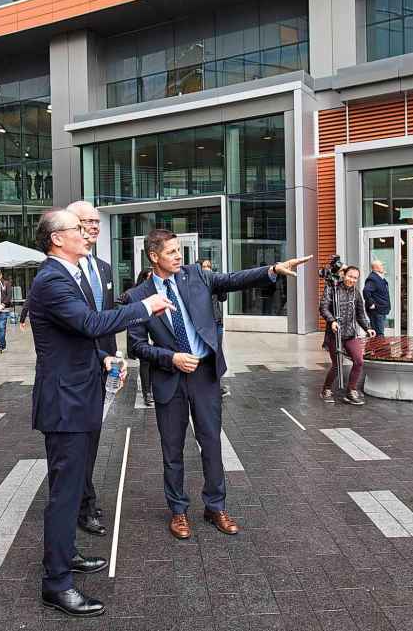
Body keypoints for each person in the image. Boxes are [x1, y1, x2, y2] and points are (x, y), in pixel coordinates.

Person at [27, 209, 173, 618]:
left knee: (72, 488)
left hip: (81, 393)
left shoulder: (68, 275)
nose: (86, 234)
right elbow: (90, 322)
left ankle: (65, 554)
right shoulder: (52, 279)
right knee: (65, 493)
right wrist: (144, 307)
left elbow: (83, 335)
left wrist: (107, 360)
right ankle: (56, 584)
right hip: (65, 403)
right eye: (78, 229)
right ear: (57, 239)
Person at [126, 229, 310, 540]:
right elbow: (135, 347)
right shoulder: (137, 296)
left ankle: (215, 506)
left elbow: (234, 279)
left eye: (178, 250)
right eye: (171, 252)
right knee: (172, 450)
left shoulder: (196, 275)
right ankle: (178, 512)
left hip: (204, 375)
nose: (178, 256)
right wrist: (170, 358)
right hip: (169, 378)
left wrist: (273, 269)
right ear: (154, 257)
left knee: (211, 443)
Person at [66, 200, 118, 538]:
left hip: (103, 365)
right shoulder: (62, 270)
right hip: (74, 369)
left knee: (94, 437)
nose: (95, 227)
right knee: (77, 442)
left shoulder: (104, 268)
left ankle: (83, 497)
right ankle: (81, 504)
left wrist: (112, 358)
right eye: (87, 221)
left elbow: (109, 319)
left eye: (97, 222)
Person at [319, 265, 375, 406]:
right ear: (344, 275)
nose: (352, 280)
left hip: (350, 333)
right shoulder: (332, 288)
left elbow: (360, 314)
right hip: (334, 334)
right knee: (337, 365)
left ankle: (351, 391)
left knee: (359, 361)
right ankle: (326, 389)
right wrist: (331, 321)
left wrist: (368, 328)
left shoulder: (356, 293)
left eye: (355, 278)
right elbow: (323, 307)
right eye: (350, 276)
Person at [117, 268, 153, 407]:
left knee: (154, 361)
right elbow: (119, 303)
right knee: (145, 362)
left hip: (155, 330)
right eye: (148, 277)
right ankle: (147, 393)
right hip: (140, 331)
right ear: (142, 279)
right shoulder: (133, 294)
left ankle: (152, 389)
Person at [200, 259, 231, 398]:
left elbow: (222, 298)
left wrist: (221, 286)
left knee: (217, 355)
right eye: (205, 266)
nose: (208, 268)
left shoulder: (214, 282)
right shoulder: (197, 284)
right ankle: (207, 386)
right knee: (207, 356)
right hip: (205, 325)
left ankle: (216, 386)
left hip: (217, 322)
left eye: (209, 266)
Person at [361, 259, 390, 338]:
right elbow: (366, 291)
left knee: (376, 331)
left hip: (381, 309)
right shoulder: (373, 278)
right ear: (376, 268)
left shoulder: (379, 277)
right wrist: (371, 304)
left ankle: (371, 348)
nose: (383, 267)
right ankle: (378, 350)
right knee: (379, 333)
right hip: (377, 310)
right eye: (381, 265)